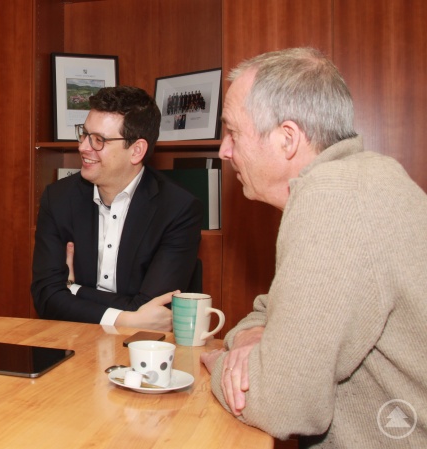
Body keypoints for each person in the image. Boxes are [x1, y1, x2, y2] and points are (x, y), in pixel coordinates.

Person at [200, 47, 427, 447]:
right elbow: (268, 310)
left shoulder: (331, 198)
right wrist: (253, 337)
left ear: (287, 139)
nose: (224, 150)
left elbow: (281, 405)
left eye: (233, 132)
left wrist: (218, 364)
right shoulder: (369, 177)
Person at [31, 85, 203, 330]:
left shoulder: (178, 209)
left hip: (142, 349)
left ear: (136, 150)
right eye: (84, 134)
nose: (83, 147)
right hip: (74, 339)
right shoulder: (58, 198)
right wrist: (125, 318)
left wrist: (72, 290)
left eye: (98, 140)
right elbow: (46, 297)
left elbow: (152, 311)